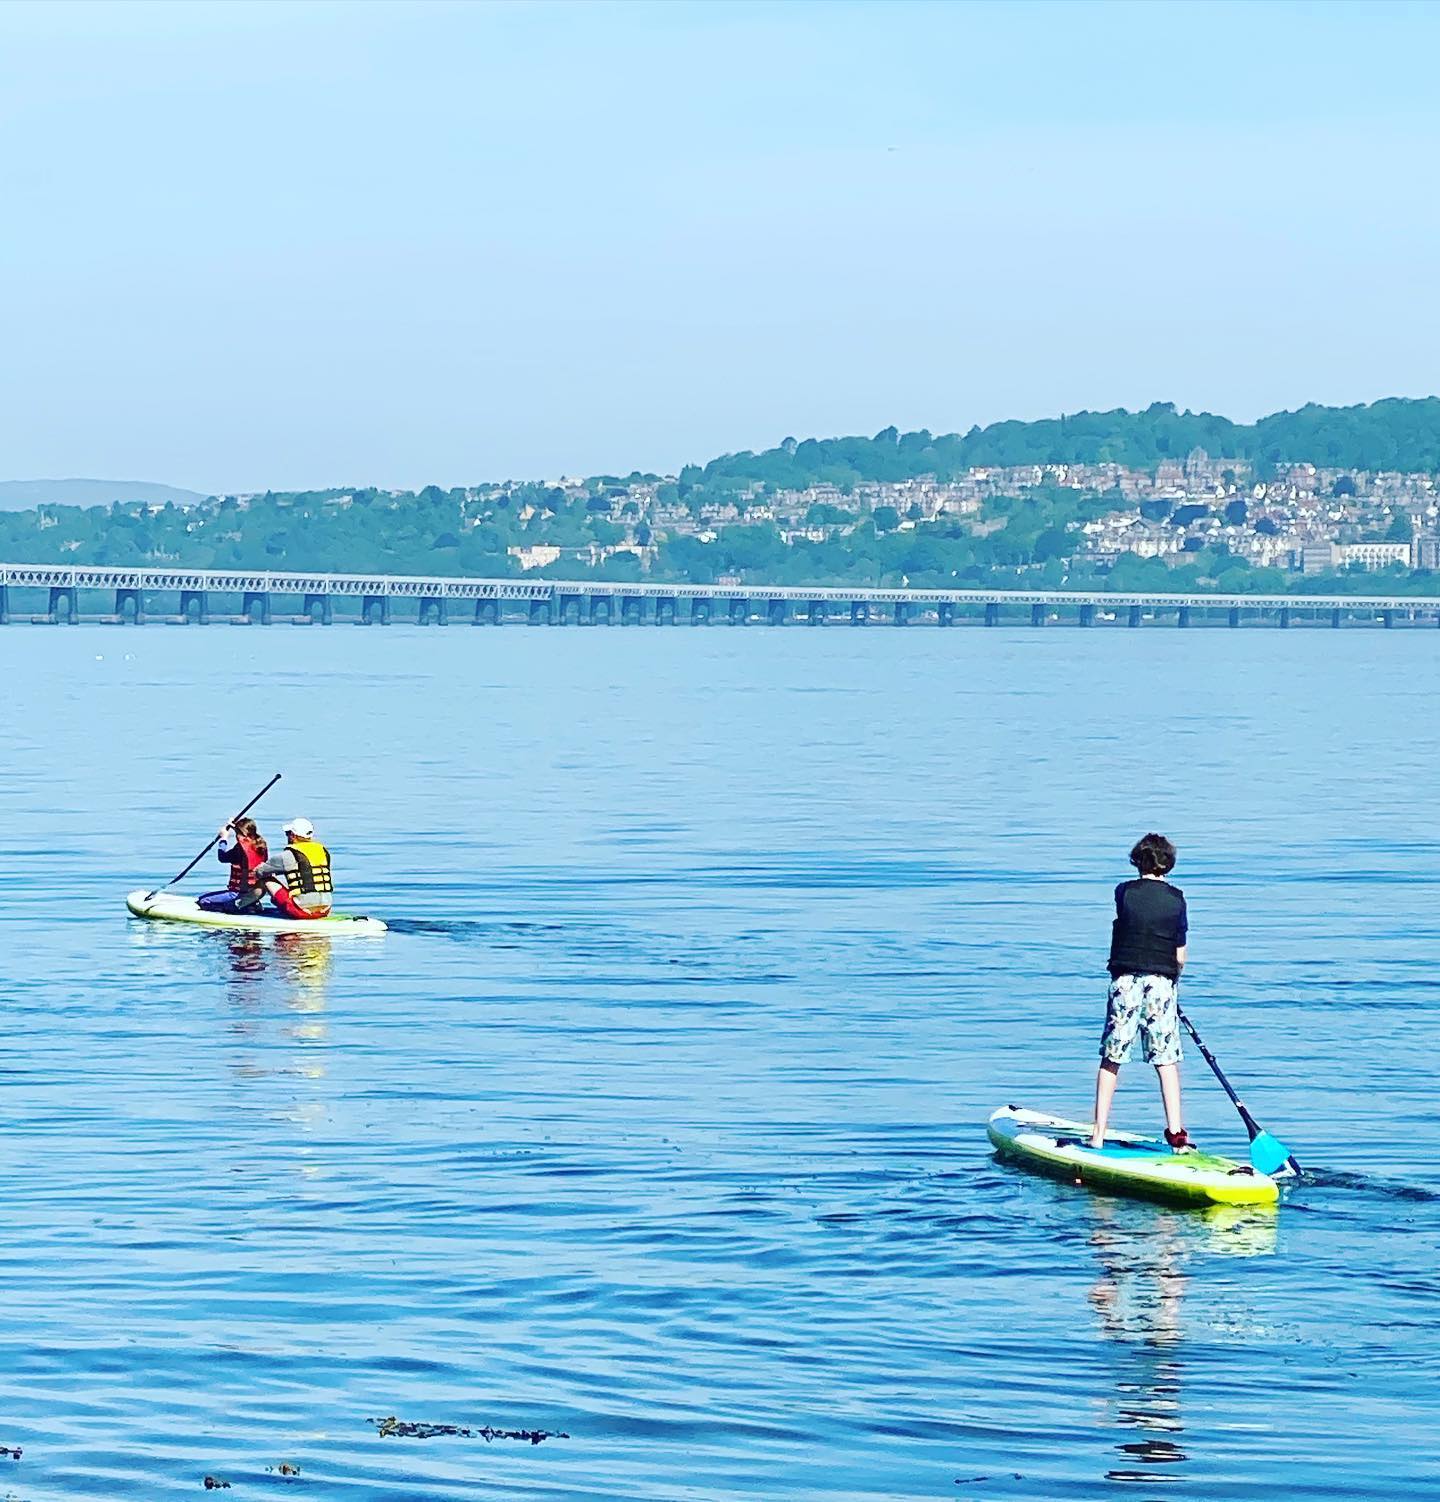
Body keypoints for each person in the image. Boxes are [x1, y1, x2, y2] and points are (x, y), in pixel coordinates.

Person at [1090, 833, 1191, 1151]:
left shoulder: (1123, 892)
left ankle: (1098, 1134)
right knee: (1166, 1060)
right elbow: (1180, 956)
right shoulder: (1177, 899)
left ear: (1138, 861)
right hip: (1161, 984)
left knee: (1112, 1057)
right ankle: (1176, 1135)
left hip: (1126, 982)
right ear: (1167, 864)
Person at [251, 817, 334, 920]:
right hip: (325, 910)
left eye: (288, 833)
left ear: (293, 836)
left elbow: (259, 872)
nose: (287, 836)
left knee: (266, 880)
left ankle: (247, 905)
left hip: (300, 911)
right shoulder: (323, 852)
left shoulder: (288, 855)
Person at [197, 817, 269, 913]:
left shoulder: (240, 850)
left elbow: (222, 857)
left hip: (237, 893)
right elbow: (243, 832)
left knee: (203, 901)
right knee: (205, 897)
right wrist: (232, 825)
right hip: (252, 892)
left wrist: (224, 839)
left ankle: (234, 908)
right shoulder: (260, 845)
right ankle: (251, 904)